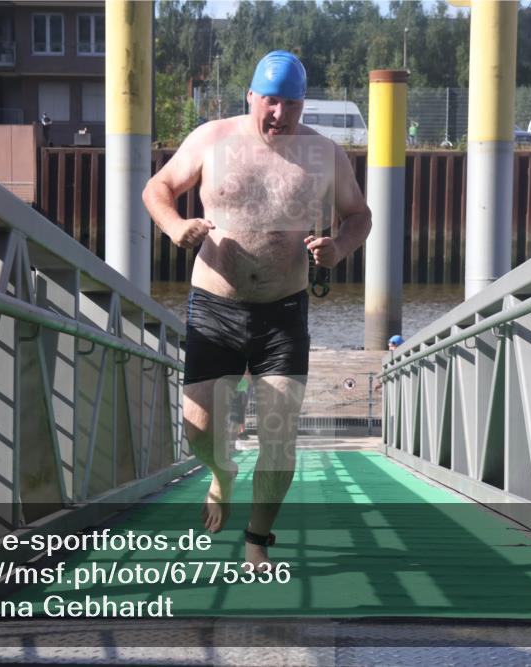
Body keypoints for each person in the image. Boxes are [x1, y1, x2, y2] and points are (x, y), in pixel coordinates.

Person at [142, 50, 371, 570]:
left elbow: (358, 214)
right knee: (197, 428)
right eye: (270, 102)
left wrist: (338, 248)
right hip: (215, 305)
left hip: (282, 313)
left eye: (291, 105)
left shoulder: (324, 155)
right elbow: (157, 189)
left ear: (302, 105)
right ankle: (222, 478)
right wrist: (177, 227)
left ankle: (257, 539)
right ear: (250, 96)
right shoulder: (212, 139)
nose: (280, 115)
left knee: (279, 434)